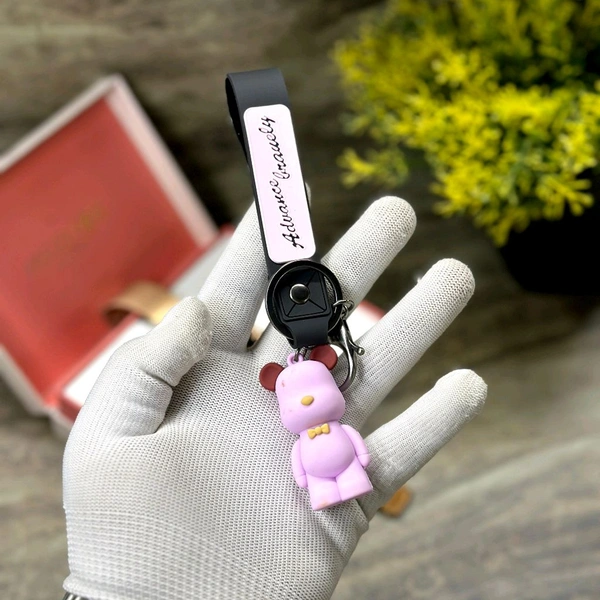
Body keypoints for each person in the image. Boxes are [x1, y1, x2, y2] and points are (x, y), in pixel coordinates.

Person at [61, 196, 487, 600]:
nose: (307, 402)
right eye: (298, 398)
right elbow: (303, 465)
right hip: (318, 481)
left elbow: (354, 450)